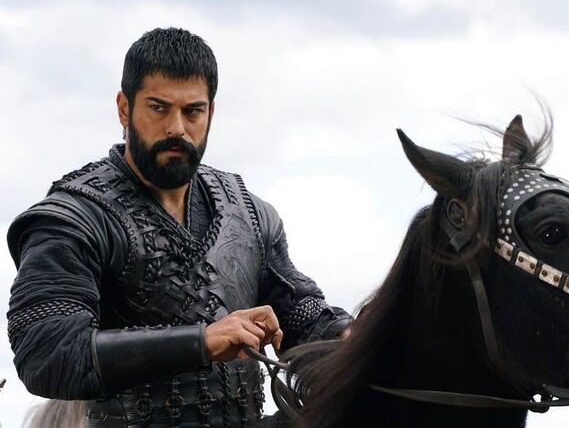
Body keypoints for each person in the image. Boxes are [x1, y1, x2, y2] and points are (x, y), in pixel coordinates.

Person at [6, 27, 352, 428]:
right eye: (158, 108)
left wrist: (354, 337)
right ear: (124, 108)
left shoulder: (249, 214)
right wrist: (201, 341)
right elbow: (48, 354)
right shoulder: (74, 218)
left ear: (210, 113)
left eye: (192, 112)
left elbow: (302, 317)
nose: (176, 128)